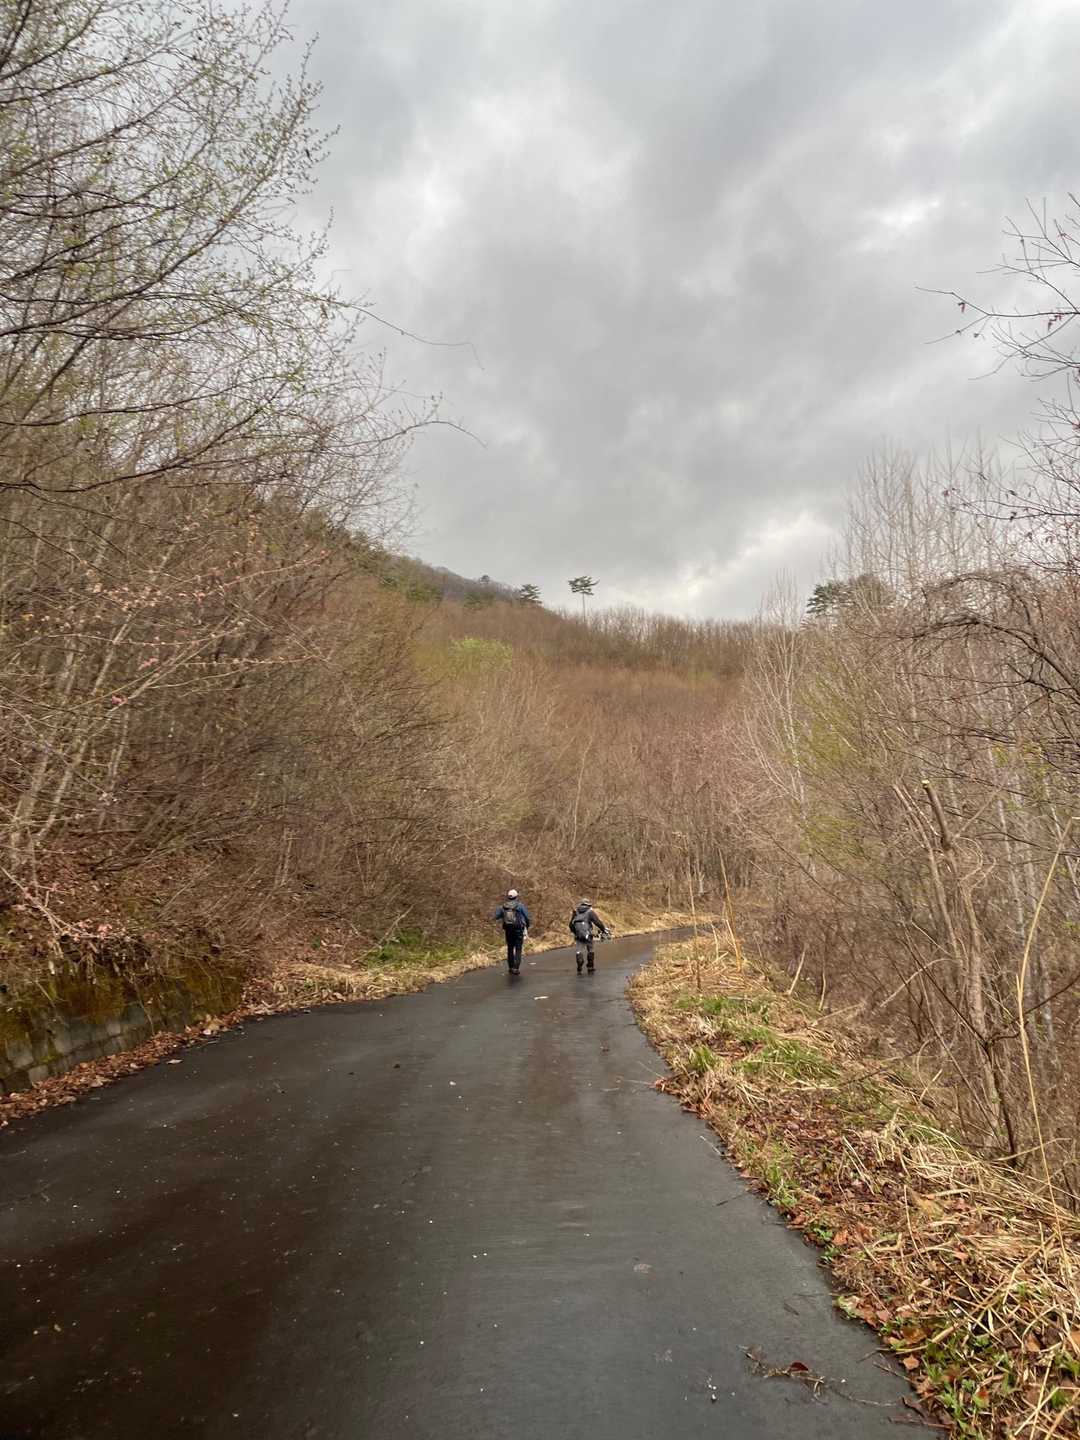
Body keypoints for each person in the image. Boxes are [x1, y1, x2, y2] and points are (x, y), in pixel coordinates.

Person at [493, 888, 531, 974]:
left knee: (510, 948)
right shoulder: (520, 906)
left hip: (508, 930)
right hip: (518, 930)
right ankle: (516, 968)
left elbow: (496, 916)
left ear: (508, 897)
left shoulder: (502, 907)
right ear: (516, 897)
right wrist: (527, 926)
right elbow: (527, 917)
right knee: (518, 949)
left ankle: (510, 967)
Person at [568, 899, 611, 973]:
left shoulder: (576, 912)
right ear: (588, 904)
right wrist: (603, 929)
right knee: (590, 949)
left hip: (578, 935)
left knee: (579, 951)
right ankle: (590, 967)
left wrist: (575, 932)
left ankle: (579, 966)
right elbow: (597, 922)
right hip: (588, 934)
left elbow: (571, 924)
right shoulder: (590, 912)